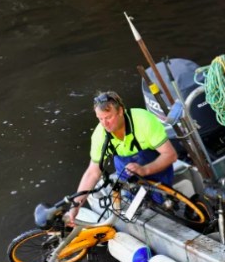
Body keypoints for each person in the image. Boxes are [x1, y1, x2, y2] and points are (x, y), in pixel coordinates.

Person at [68, 91, 177, 221]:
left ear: (120, 111)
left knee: (163, 206)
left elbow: (170, 155)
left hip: (157, 172)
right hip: (128, 178)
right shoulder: (99, 136)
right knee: (133, 208)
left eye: (108, 117)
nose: (104, 124)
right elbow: (92, 173)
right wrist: (74, 209)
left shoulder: (144, 120)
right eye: (100, 119)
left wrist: (144, 170)